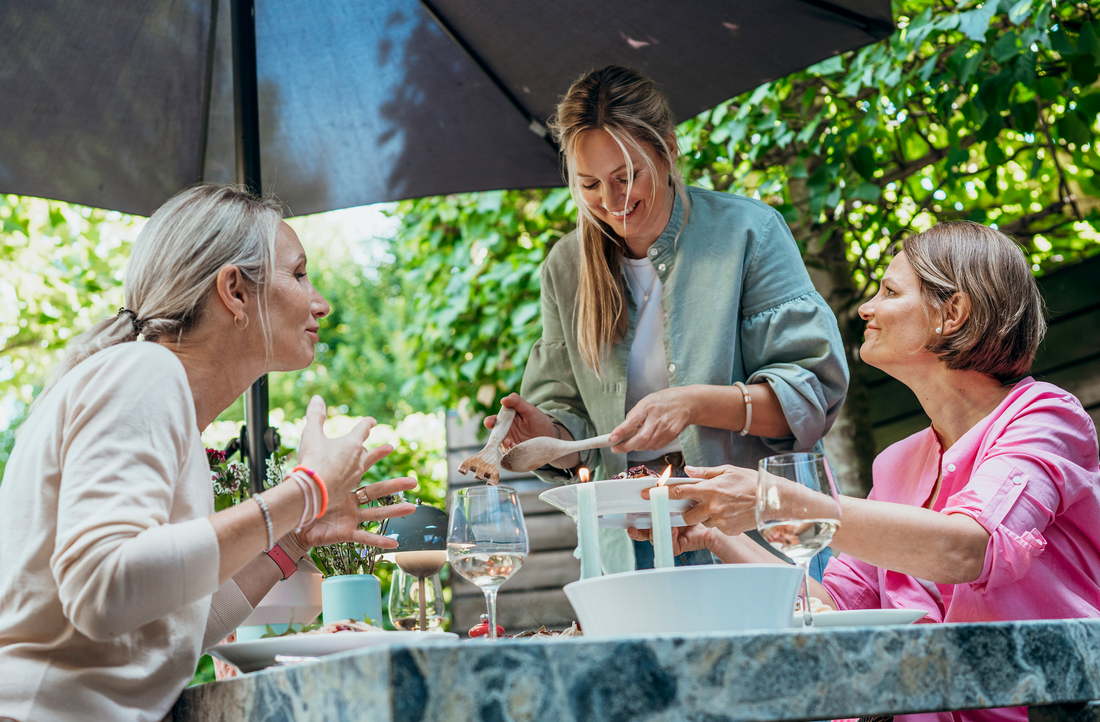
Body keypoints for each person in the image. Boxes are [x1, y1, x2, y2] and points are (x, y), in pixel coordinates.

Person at [641, 222, 1100, 722]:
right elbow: (834, 605)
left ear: (953, 313)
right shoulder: (899, 462)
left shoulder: (1044, 417)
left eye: (889, 291)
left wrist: (773, 499)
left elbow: (969, 547)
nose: (866, 307)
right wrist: (713, 536)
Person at [0, 185, 417, 722]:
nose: (321, 302)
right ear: (235, 292)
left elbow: (170, 627)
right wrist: (306, 490)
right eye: (298, 274)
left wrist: (294, 536)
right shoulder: (142, 375)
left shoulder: (162, 404)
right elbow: (102, 589)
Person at [484, 65, 849, 572]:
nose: (611, 203)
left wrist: (693, 403)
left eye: (627, 176)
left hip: (756, 531)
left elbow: (809, 397)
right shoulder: (565, 268)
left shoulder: (749, 233)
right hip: (630, 541)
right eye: (589, 184)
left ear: (669, 148)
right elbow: (577, 437)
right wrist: (546, 436)